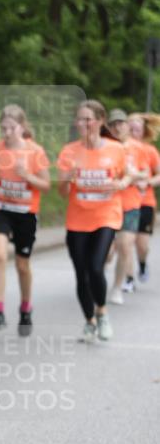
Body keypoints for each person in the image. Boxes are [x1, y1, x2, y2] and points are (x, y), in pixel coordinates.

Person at [57, 101, 130, 343]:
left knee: (96, 267)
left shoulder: (115, 149)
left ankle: (103, 312)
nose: (83, 124)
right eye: (79, 119)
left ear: (100, 121)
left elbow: (127, 174)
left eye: (87, 119)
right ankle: (89, 321)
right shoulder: (69, 151)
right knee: (81, 274)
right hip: (78, 218)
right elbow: (62, 192)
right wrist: (66, 179)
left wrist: (120, 184)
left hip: (106, 214)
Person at [0, 104, 50, 335]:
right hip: (1, 209)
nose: (6, 133)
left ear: (22, 127)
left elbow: (46, 185)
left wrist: (26, 175)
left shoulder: (35, 152)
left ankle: (25, 308)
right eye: (3, 128)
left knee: (21, 265)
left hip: (26, 214)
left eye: (11, 128)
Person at [105, 110, 150, 303]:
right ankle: (100, 272)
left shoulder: (138, 148)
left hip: (130, 205)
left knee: (125, 246)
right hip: (106, 205)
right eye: (113, 124)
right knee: (107, 253)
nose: (117, 127)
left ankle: (118, 287)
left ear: (126, 126)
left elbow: (146, 172)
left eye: (121, 123)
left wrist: (134, 176)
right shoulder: (104, 147)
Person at [128, 112, 160, 283]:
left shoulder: (150, 151)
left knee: (141, 245)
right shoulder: (121, 149)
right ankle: (128, 278)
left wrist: (147, 182)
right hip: (125, 203)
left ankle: (142, 263)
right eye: (130, 129)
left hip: (145, 202)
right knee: (126, 241)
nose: (133, 133)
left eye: (137, 130)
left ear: (143, 132)